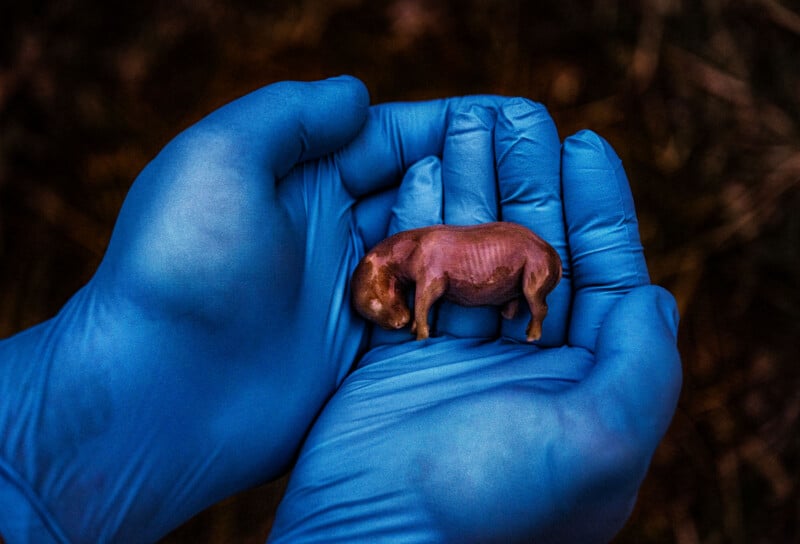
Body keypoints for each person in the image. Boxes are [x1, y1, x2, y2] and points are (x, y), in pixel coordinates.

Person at [0, 76, 681, 543]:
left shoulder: (424, 256)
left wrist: (42, 458)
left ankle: (523, 316)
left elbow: (429, 286)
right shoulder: (407, 256)